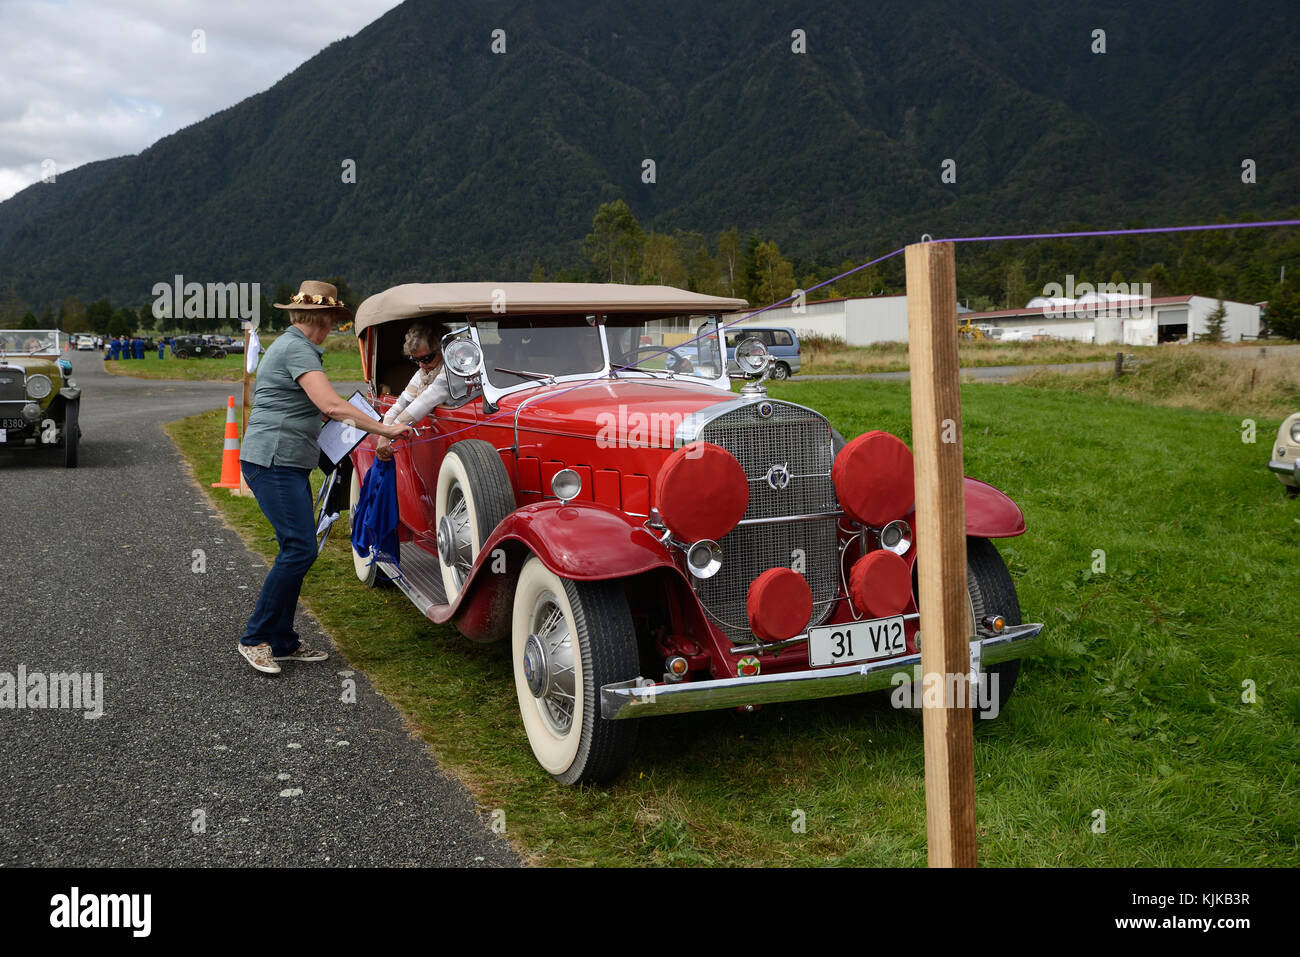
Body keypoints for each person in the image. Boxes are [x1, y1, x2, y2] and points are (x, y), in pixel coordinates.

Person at [236, 280, 411, 675]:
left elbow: (318, 407)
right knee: (299, 549)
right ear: (327, 319)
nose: (334, 326)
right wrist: (384, 428)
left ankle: (281, 640)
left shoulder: (296, 346)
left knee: (296, 550)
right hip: (273, 461)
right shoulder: (297, 348)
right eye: (334, 318)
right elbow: (330, 404)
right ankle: (255, 638)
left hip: (287, 462)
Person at [373, 319, 453, 461]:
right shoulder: (422, 374)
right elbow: (399, 405)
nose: (421, 365)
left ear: (443, 350)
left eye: (427, 358)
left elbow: (425, 402)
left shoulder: (454, 369)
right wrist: (384, 435)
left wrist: (387, 435)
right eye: (416, 360)